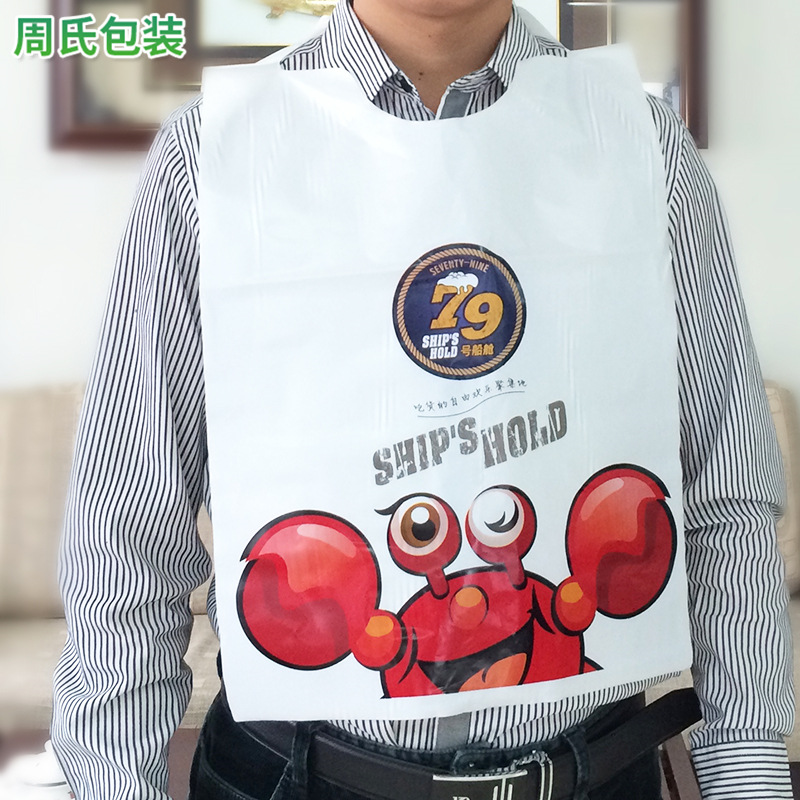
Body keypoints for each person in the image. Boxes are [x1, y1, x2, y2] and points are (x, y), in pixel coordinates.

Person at [50, 0, 794, 798]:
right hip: (297, 776)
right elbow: (126, 532)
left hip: (596, 770)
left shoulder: (641, 143)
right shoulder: (213, 154)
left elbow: (725, 496)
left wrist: (747, 770)